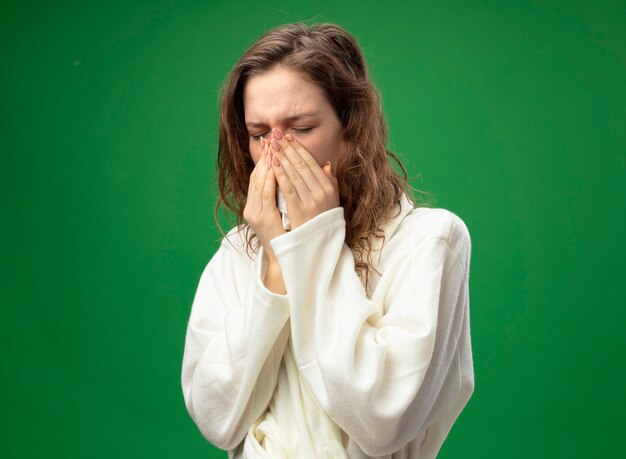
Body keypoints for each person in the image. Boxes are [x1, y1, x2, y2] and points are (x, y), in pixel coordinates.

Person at [181, 22, 474, 459]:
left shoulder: (430, 239)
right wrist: (277, 266)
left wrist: (314, 242)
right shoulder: (239, 253)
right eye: (259, 134)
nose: (276, 152)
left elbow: (381, 421)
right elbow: (216, 420)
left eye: (299, 127)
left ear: (351, 128)